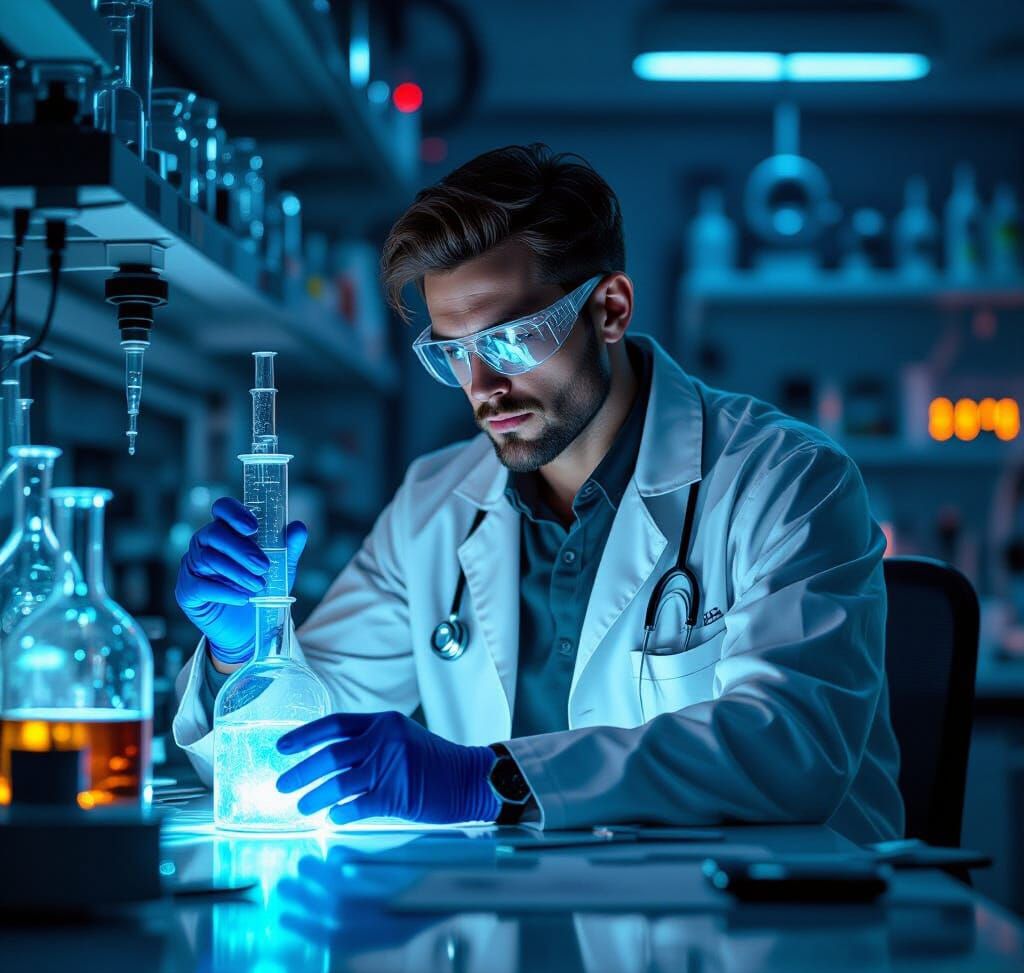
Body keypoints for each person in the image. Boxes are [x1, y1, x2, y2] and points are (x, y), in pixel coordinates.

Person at [173, 143, 903, 842]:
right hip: (517, 922)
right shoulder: (433, 505)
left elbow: (793, 749)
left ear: (610, 309)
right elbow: (298, 759)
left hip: (767, 931)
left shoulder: (785, 480)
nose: (483, 388)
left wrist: (489, 781)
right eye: (454, 353)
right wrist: (248, 655)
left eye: (511, 340)